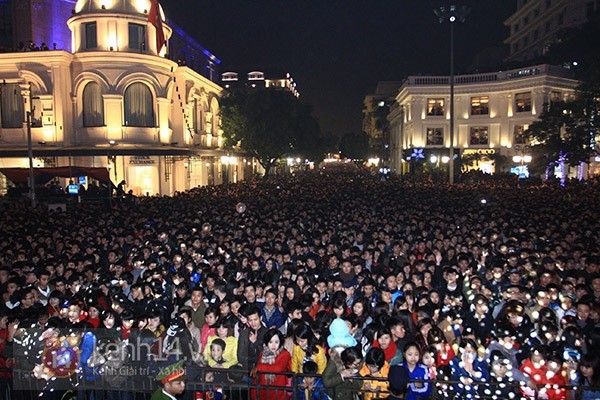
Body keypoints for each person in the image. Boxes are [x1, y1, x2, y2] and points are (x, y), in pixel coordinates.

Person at [252, 329, 291, 400]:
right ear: (266, 343)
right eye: (270, 342)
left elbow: (278, 368)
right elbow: (257, 377)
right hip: (264, 391)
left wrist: (259, 367)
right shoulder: (263, 353)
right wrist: (254, 394)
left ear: (280, 342)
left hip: (278, 392)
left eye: (276, 342)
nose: (273, 345)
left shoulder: (285, 354)